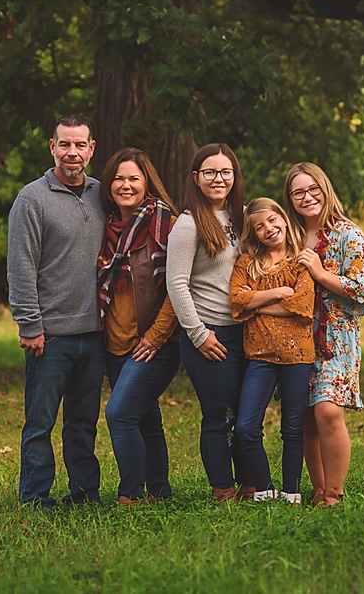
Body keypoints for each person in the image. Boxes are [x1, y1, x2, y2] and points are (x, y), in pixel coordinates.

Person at [7, 114, 106, 509]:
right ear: (52, 147)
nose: (72, 152)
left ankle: (85, 494)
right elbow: (21, 267)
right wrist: (30, 325)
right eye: (65, 144)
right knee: (40, 423)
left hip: (95, 335)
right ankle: (35, 496)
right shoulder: (32, 198)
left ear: (91, 149)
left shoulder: (103, 193)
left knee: (83, 425)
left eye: (80, 145)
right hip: (50, 336)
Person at [283, 162, 364, 507]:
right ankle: (319, 488)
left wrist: (320, 274)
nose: (307, 197)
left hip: (337, 338)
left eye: (313, 190)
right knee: (305, 416)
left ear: (325, 190)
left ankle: (334, 494)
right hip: (295, 338)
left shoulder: (348, 234)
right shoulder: (289, 236)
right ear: (290, 199)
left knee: (328, 411)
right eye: (298, 193)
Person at [97, 147, 182, 505]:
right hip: (114, 343)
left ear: (147, 182)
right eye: (119, 178)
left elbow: (179, 287)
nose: (125, 185)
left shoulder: (168, 224)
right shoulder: (103, 226)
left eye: (133, 178)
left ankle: (129, 495)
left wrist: (156, 335)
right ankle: (159, 493)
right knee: (146, 418)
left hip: (154, 343)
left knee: (119, 413)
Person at [166, 143, 249, 501]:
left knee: (247, 416)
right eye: (210, 172)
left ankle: (252, 483)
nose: (219, 179)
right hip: (209, 335)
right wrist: (199, 335)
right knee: (218, 415)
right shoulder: (187, 224)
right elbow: (176, 284)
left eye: (225, 172)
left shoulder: (243, 217)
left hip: (246, 332)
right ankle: (223, 488)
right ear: (196, 178)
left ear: (235, 176)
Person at [228, 197, 315, 504]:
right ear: (253, 234)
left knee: (292, 426)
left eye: (272, 221)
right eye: (259, 227)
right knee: (246, 426)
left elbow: (303, 306)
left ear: (282, 218)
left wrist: (257, 305)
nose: (268, 229)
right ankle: (264, 488)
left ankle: (291, 491)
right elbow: (236, 302)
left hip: (297, 356)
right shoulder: (246, 264)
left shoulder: (301, 261)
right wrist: (277, 293)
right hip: (260, 356)